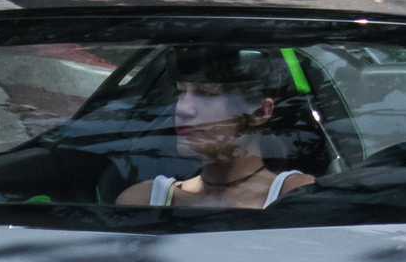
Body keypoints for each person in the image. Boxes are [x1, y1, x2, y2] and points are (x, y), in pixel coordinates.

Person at [118, 49, 315, 209]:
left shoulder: (299, 196)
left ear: (260, 112)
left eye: (205, 93)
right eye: (180, 92)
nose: (183, 108)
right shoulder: (141, 200)